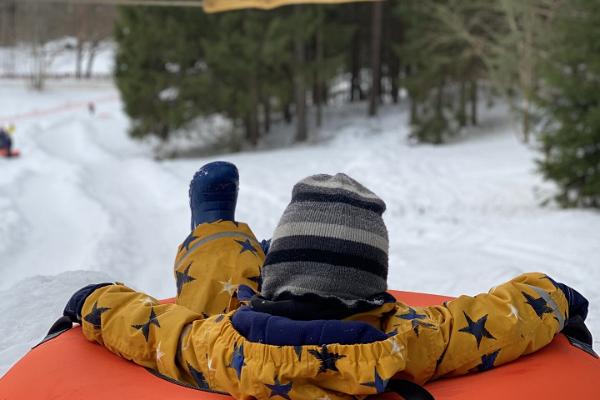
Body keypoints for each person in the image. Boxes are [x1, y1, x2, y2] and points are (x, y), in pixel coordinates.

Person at [63, 161, 590, 399]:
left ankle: (215, 231)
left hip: (235, 333)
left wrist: (94, 301)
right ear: (377, 289)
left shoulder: (218, 346)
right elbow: (495, 321)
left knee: (211, 297)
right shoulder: (408, 342)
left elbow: (155, 330)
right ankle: (260, 253)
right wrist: (552, 296)